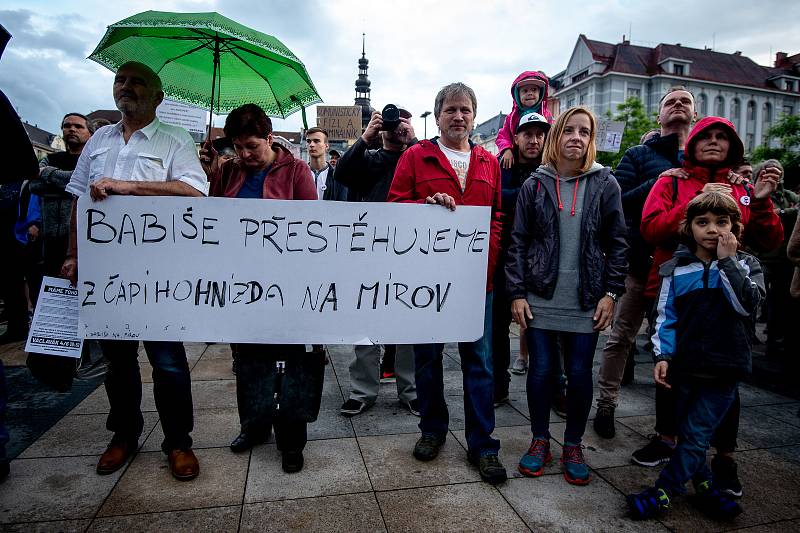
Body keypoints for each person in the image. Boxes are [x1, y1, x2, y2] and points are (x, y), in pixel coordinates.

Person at [62, 61, 208, 481]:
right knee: (118, 362)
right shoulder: (99, 140)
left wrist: (128, 186)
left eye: (136, 81)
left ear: (157, 96)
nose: (125, 87)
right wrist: (73, 254)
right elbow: (78, 200)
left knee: (168, 363)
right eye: (120, 80)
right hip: (106, 273)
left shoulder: (174, 139)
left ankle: (178, 442)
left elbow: (195, 191)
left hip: (157, 273)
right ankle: (124, 434)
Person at [634, 116, 782, 497]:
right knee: (672, 371)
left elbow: (768, 239)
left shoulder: (744, 188)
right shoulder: (672, 180)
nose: (715, 142)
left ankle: (724, 456)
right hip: (676, 286)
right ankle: (669, 439)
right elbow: (649, 228)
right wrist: (694, 206)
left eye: (723, 137)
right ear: (693, 142)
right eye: (707, 136)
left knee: (723, 379)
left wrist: (761, 202)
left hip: (728, 293)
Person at [388, 82, 507, 484]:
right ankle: (432, 430)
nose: (459, 116)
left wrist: (486, 264)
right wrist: (424, 206)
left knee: (480, 363)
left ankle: (483, 444)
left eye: (466, 110)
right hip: (428, 282)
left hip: (477, 283)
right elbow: (393, 208)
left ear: (474, 116)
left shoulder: (488, 162)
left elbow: (497, 219)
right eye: (451, 110)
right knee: (427, 360)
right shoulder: (415, 157)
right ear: (437, 115)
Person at [506, 106, 628, 485]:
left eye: (585, 132)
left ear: (592, 140)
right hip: (540, 296)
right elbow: (518, 242)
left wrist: (610, 293)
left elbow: (619, 243)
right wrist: (518, 292)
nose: (577, 137)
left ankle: (573, 443)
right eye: (569, 130)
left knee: (578, 373)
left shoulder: (606, 184)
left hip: (586, 298)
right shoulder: (535, 184)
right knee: (541, 371)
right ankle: (540, 439)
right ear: (556, 136)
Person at [201, 103, 324, 473]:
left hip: (288, 284)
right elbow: (215, 221)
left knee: (294, 363)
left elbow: (312, 227)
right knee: (250, 360)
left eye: (252, 146)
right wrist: (212, 177)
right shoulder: (228, 172)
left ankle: (292, 439)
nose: (244, 155)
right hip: (243, 284)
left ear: (270, 139)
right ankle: (253, 426)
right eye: (238, 148)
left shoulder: (296, 170)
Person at [626, 191, 764, 521]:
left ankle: (663, 490)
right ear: (690, 228)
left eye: (721, 222)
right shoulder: (676, 269)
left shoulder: (747, 264)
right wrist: (663, 355)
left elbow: (748, 306)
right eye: (703, 222)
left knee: (699, 433)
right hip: (684, 368)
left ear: (734, 227)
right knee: (689, 434)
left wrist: (727, 262)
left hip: (724, 368)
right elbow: (665, 316)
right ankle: (705, 487)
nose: (712, 229)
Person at [594, 87, 697, 439]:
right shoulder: (639, 155)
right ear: (660, 115)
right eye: (671, 101)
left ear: (694, 115)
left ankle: (668, 428)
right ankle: (606, 404)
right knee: (620, 335)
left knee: (673, 346)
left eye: (685, 101)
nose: (678, 105)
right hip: (642, 264)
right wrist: (660, 180)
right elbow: (618, 203)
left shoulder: (704, 160)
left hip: (688, 272)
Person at [333, 106, 419, 417]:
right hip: (370, 254)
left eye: (402, 124)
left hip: (410, 254)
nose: (396, 129)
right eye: (391, 124)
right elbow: (341, 173)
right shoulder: (369, 160)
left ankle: (410, 390)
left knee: (409, 326)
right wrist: (365, 137)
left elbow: (433, 172)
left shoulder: (418, 156)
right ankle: (362, 391)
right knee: (365, 328)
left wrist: (414, 140)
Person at [492, 111, 550, 406]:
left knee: (544, 328)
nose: (534, 140)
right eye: (528, 134)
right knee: (499, 326)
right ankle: (499, 385)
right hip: (505, 258)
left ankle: (553, 386)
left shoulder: (552, 169)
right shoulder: (503, 165)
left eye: (540, 134)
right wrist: (531, 191)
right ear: (516, 137)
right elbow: (494, 197)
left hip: (542, 260)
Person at [31, 113, 95, 277]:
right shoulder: (51, 158)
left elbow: (87, 183)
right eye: (67, 126)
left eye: (78, 126)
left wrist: (48, 174)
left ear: (90, 133)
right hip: (49, 238)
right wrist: (72, 185)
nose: (72, 129)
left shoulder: (93, 160)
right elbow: (34, 185)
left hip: (79, 240)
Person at [752, 159, 798, 360]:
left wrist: (783, 212)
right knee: (755, 297)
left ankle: (774, 339)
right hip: (762, 256)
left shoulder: (787, 195)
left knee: (779, 302)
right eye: (770, 170)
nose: (775, 175)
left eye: (778, 171)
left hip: (782, 258)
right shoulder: (758, 192)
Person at [495, 71, 553, 170]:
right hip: (516, 159)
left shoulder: (547, 115)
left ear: (541, 93)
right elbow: (503, 136)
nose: (530, 93)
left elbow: (553, 136)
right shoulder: (511, 117)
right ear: (517, 95)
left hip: (542, 160)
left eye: (534, 90)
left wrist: (549, 155)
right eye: (525, 91)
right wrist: (506, 150)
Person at [306, 127, 346, 201]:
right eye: (308, 141)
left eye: (316, 141)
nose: (311, 144)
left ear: (326, 146)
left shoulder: (339, 178)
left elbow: (342, 207)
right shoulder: (299, 175)